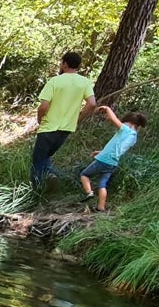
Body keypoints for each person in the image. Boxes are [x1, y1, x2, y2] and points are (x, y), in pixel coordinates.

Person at [32, 51, 96, 190]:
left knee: (37, 161)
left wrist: (39, 119)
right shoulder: (84, 82)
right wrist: (78, 119)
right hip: (66, 129)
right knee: (45, 156)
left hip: (49, 127)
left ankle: (36, 192)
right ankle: (52, 177)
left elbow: (43, 106)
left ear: (64, 64)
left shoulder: (55, 81)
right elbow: (92, 103)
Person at [80, 106, 146, 212]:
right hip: (112, 163)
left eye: (124, 122)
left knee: (84, 174)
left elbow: (112, 119)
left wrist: (107, 108)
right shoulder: (133, 137)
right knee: (102, 184)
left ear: (130, 123)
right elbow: (116, 148)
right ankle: (101, 207)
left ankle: (89, 192)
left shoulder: (126, 130)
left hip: (103, 160)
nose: (122, 124)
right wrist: (100, 152)